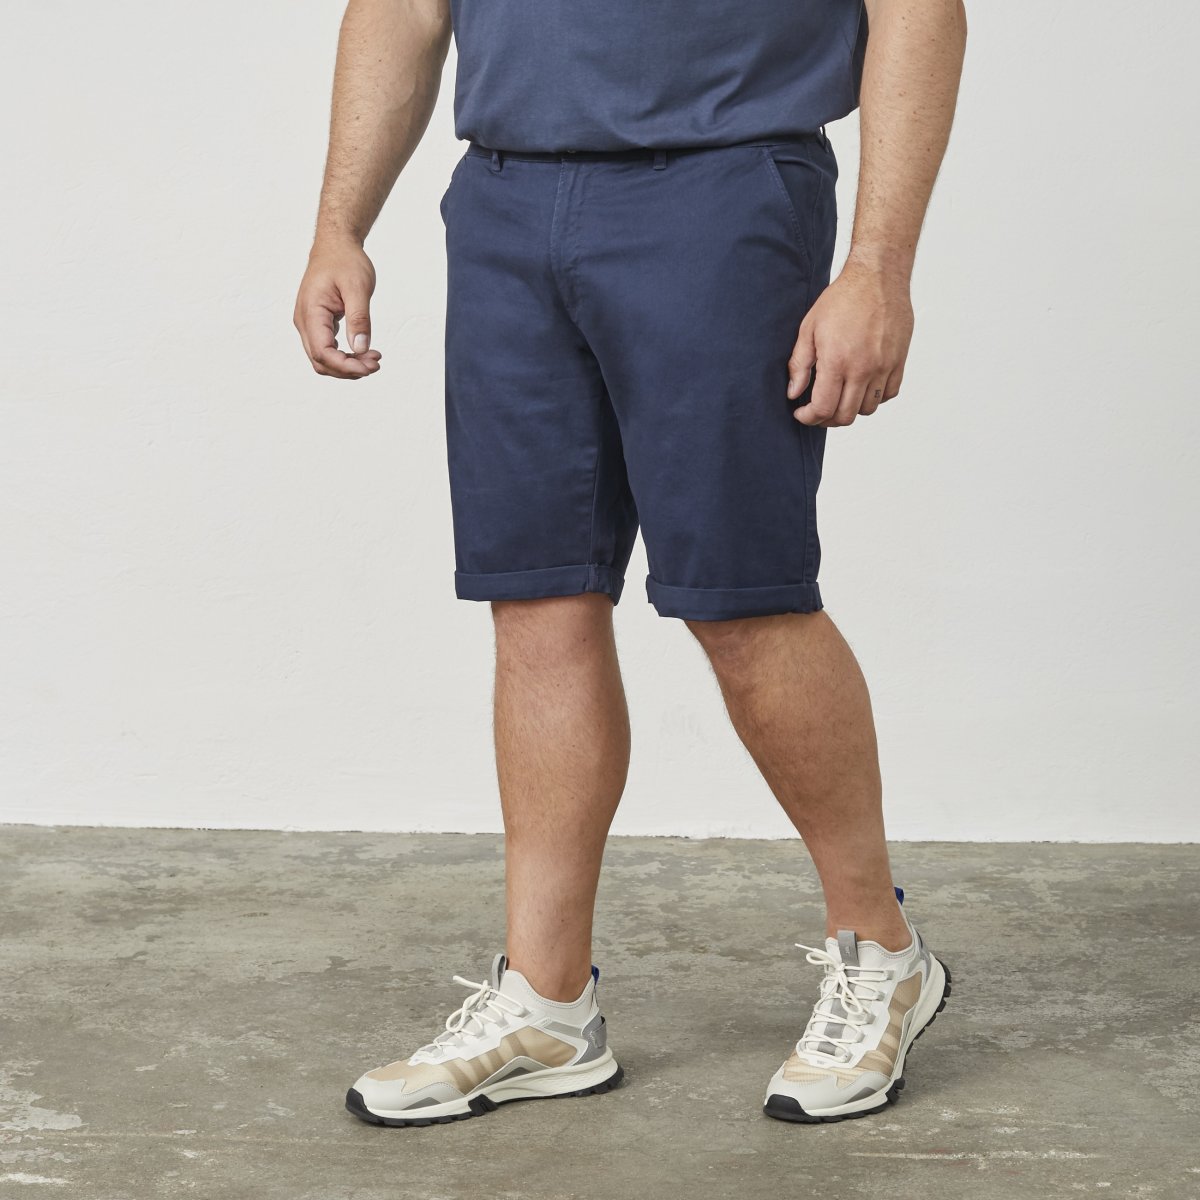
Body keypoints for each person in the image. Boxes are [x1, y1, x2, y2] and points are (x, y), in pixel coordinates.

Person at [294, 0, 968, 1127]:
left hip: (720, 185)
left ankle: (882, 951)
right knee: (536, 599)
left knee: (744, 599)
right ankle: (547, 1003)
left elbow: (918, 9)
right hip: (507, 198)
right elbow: (405, 7)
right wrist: (338, 223)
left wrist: (879, 267)